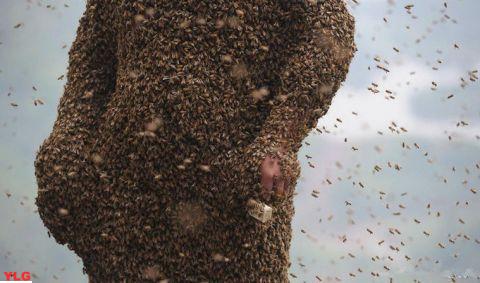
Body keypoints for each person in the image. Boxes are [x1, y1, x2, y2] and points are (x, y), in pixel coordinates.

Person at [34, 0, 356, 281]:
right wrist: (67, 143)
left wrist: (278, 139)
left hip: (229, 211)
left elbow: (332, 33)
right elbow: (93, 59)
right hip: (123, 208)